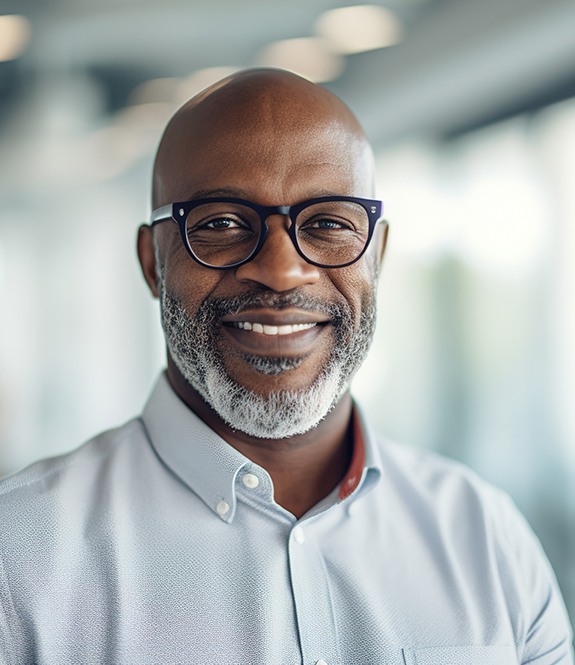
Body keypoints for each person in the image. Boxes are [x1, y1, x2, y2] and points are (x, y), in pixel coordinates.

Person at [0, 69, 572, 665]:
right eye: (221, 223)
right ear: (152, 263)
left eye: (328, 223)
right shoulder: (17, 560)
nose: (281, 271)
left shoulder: (486, 537)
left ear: (377, 257)